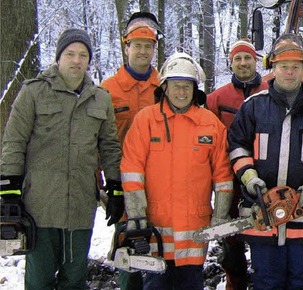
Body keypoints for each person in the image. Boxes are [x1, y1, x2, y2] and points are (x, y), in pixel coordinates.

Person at [0, 28, 121, 289]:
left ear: (89, 60)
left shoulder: (100, 99)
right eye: (70, 53)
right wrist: (9, 191)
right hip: (40, 207)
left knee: (74, 279)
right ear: (58, 57)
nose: (76, 60)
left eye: (83, 55)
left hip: (80, 208)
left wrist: (115, 186)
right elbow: (14, 142)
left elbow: (110, 146)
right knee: (39, 280)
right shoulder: (33, 93)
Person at [120, 52, 234, 290]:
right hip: (154, 231)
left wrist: (220, 215)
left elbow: (223, 175)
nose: (181, 93)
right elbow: (132, 170)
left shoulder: (210, 123)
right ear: (165, 87)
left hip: (195, 231)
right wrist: (137, 216)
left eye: (186, 87)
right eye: (176, 86)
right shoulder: (146, 120)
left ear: (195, 90)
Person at [227, 33, 303, 289]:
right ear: (273, 68)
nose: (289, 72)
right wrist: (249, 176)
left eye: (295, 67)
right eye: (284, 66)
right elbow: (237, 146)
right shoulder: (253, 106)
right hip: (262, 210)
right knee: (267, 279)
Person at [101, 11, 162, 290]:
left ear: (154, 49)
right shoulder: (108, 90)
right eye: (136, 45)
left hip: (160, 181)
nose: (142, 51)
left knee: (158, 245)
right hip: (123, 184)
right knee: (128, 245)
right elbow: (99, 140)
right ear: (126, 47)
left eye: (148, 45)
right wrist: (105, 185)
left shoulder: (165, 87)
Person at [205, 38, 268, 290]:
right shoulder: (217, 98)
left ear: (256, 61)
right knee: (231, 238)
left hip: (263, 177)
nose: (243, 63)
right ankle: (235, 283)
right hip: (228, 178)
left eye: (247, 58)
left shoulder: (269, 91)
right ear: (231, 63)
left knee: (264, 231)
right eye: (237, 59)